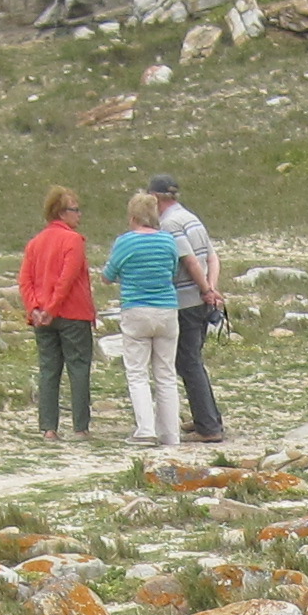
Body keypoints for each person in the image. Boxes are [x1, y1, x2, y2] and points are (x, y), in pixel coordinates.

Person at [149, 172, 228, 442]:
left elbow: (190, 260)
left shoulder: (169, 224)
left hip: (186, 300)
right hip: (201, 298)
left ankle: (208, 426)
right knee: (193, 360)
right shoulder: (190, 218)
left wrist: (205, 289)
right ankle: (208, 416)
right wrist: (211, 287)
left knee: (188, 362)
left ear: (155, 197)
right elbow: (212, 257)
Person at [105, 191, 186, 449]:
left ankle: (146, 430)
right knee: (166, 374)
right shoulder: (168, 241)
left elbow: (108, 275)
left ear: (133, 217)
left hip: (136, 308)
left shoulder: (125, 242)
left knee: (137, 372)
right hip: (166, 309)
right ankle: (171, 434)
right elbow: (172, 270)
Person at [19, 185, 93, 441]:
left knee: (49, 369)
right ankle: (80, 427)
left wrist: (35, 308)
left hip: (42, 316)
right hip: (73, 314)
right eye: (75, 209)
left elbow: (25, 280)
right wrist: (52, 307)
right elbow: (67, 279)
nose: (79, 214)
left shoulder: (34, 243)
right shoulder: (73, 240)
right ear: (62, 212)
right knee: (78, 368)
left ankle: (49, 427)